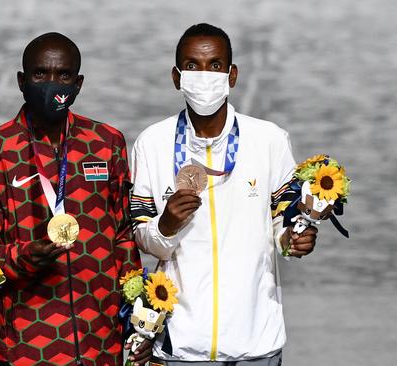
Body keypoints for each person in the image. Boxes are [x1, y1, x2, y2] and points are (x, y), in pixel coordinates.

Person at [0, 32, 149, 365]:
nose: (52, 83)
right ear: (21, 81)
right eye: (40, 74)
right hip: (25, 344)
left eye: (64, 75)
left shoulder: (106, 143)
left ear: (79, 83)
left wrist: (136, 320)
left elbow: (122, 238)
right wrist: (24, 256)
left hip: (101, 342)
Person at [130, 23, 318, 365]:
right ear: (176, 77)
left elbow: (282, 228)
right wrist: (166, 225)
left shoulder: (269, 140)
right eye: (192, 66)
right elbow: (143, 239)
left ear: (232, 75)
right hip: (181, 345)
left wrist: (293, 240)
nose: (204, 75)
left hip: (257, 342)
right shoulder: (152, 143)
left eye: (215, 65)